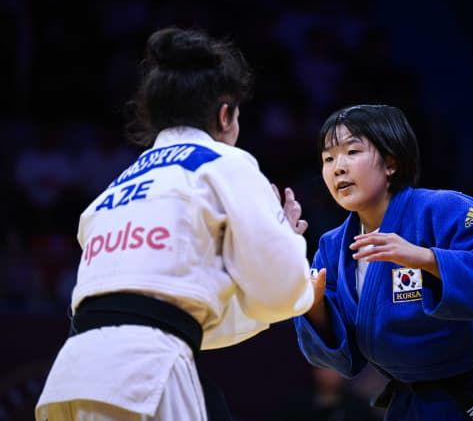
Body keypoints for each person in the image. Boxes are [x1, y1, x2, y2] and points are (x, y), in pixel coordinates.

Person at [35, 27, 314, 421]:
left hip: (70, 378)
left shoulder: (111, 191)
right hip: (146, 378)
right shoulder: (225, 163)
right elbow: (282, 293)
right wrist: (286, 239)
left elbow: (178, 315)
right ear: (225, 113)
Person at [293, 104, 473, 420]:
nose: (338, 167)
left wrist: (425, 258)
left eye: (352, 152)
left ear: (391, 163)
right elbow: (341, 359)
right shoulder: (332, 246)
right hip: (410, 405)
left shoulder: (446, 209)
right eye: (328, 158)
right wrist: (310, 303)